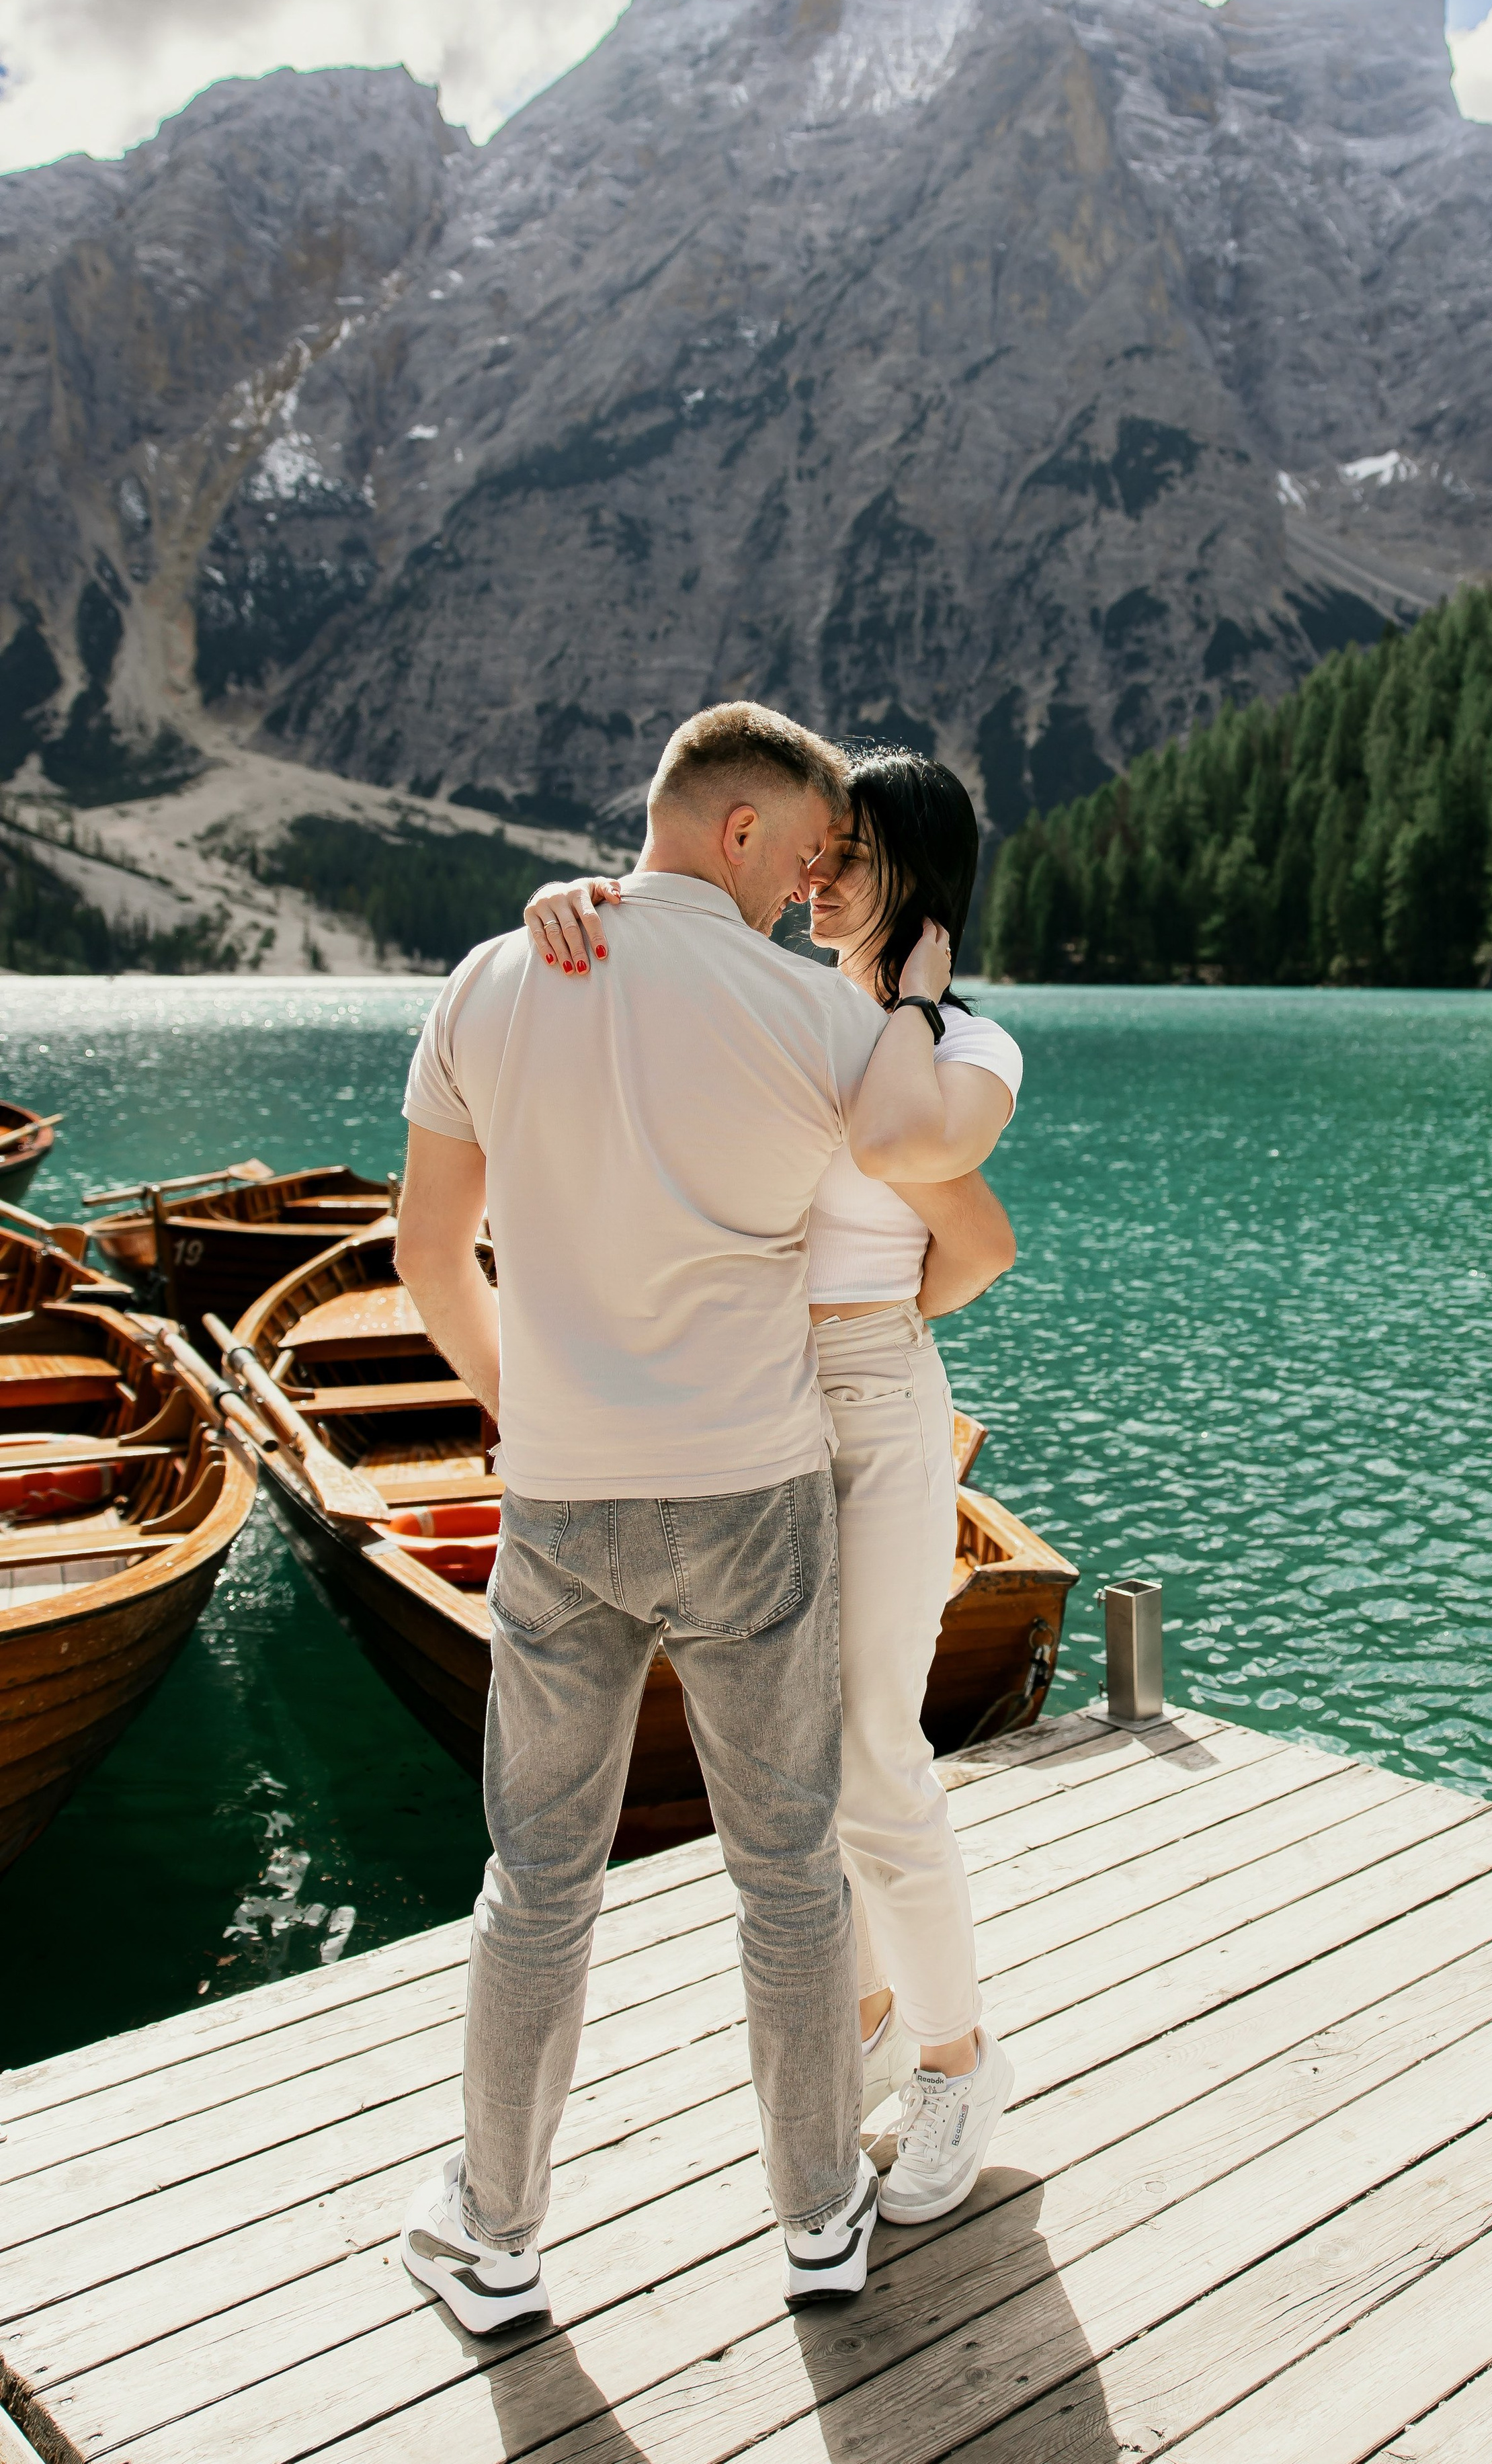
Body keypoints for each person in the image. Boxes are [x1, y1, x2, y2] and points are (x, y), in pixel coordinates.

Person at [390, 703, 955, 2333]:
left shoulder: (491, 980)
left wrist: (522, 1407)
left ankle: (496, 2240)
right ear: (739, 830)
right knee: (787, 1875)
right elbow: (922, 1152)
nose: (808, 890)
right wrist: (918, 996)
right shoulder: (816, 1014)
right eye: (804, 856)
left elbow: (427, 1253)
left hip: (563, 1500)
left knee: (537, 1881)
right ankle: (820, 2221)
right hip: (751, 1494)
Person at [524, 745, 1025, 2227]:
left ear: (917, 877)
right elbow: (648, 991)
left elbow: (923, 1176)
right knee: (800, 1758)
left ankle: (956, 2057)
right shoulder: (781, 1007)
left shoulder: (971, 1047)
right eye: (815, 849)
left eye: (850, 854)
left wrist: (912, 1004)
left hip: (867, 1401)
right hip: (755, 1402)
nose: (815, 875)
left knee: (872, 1747)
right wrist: (581, 903)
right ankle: (867, 2016)